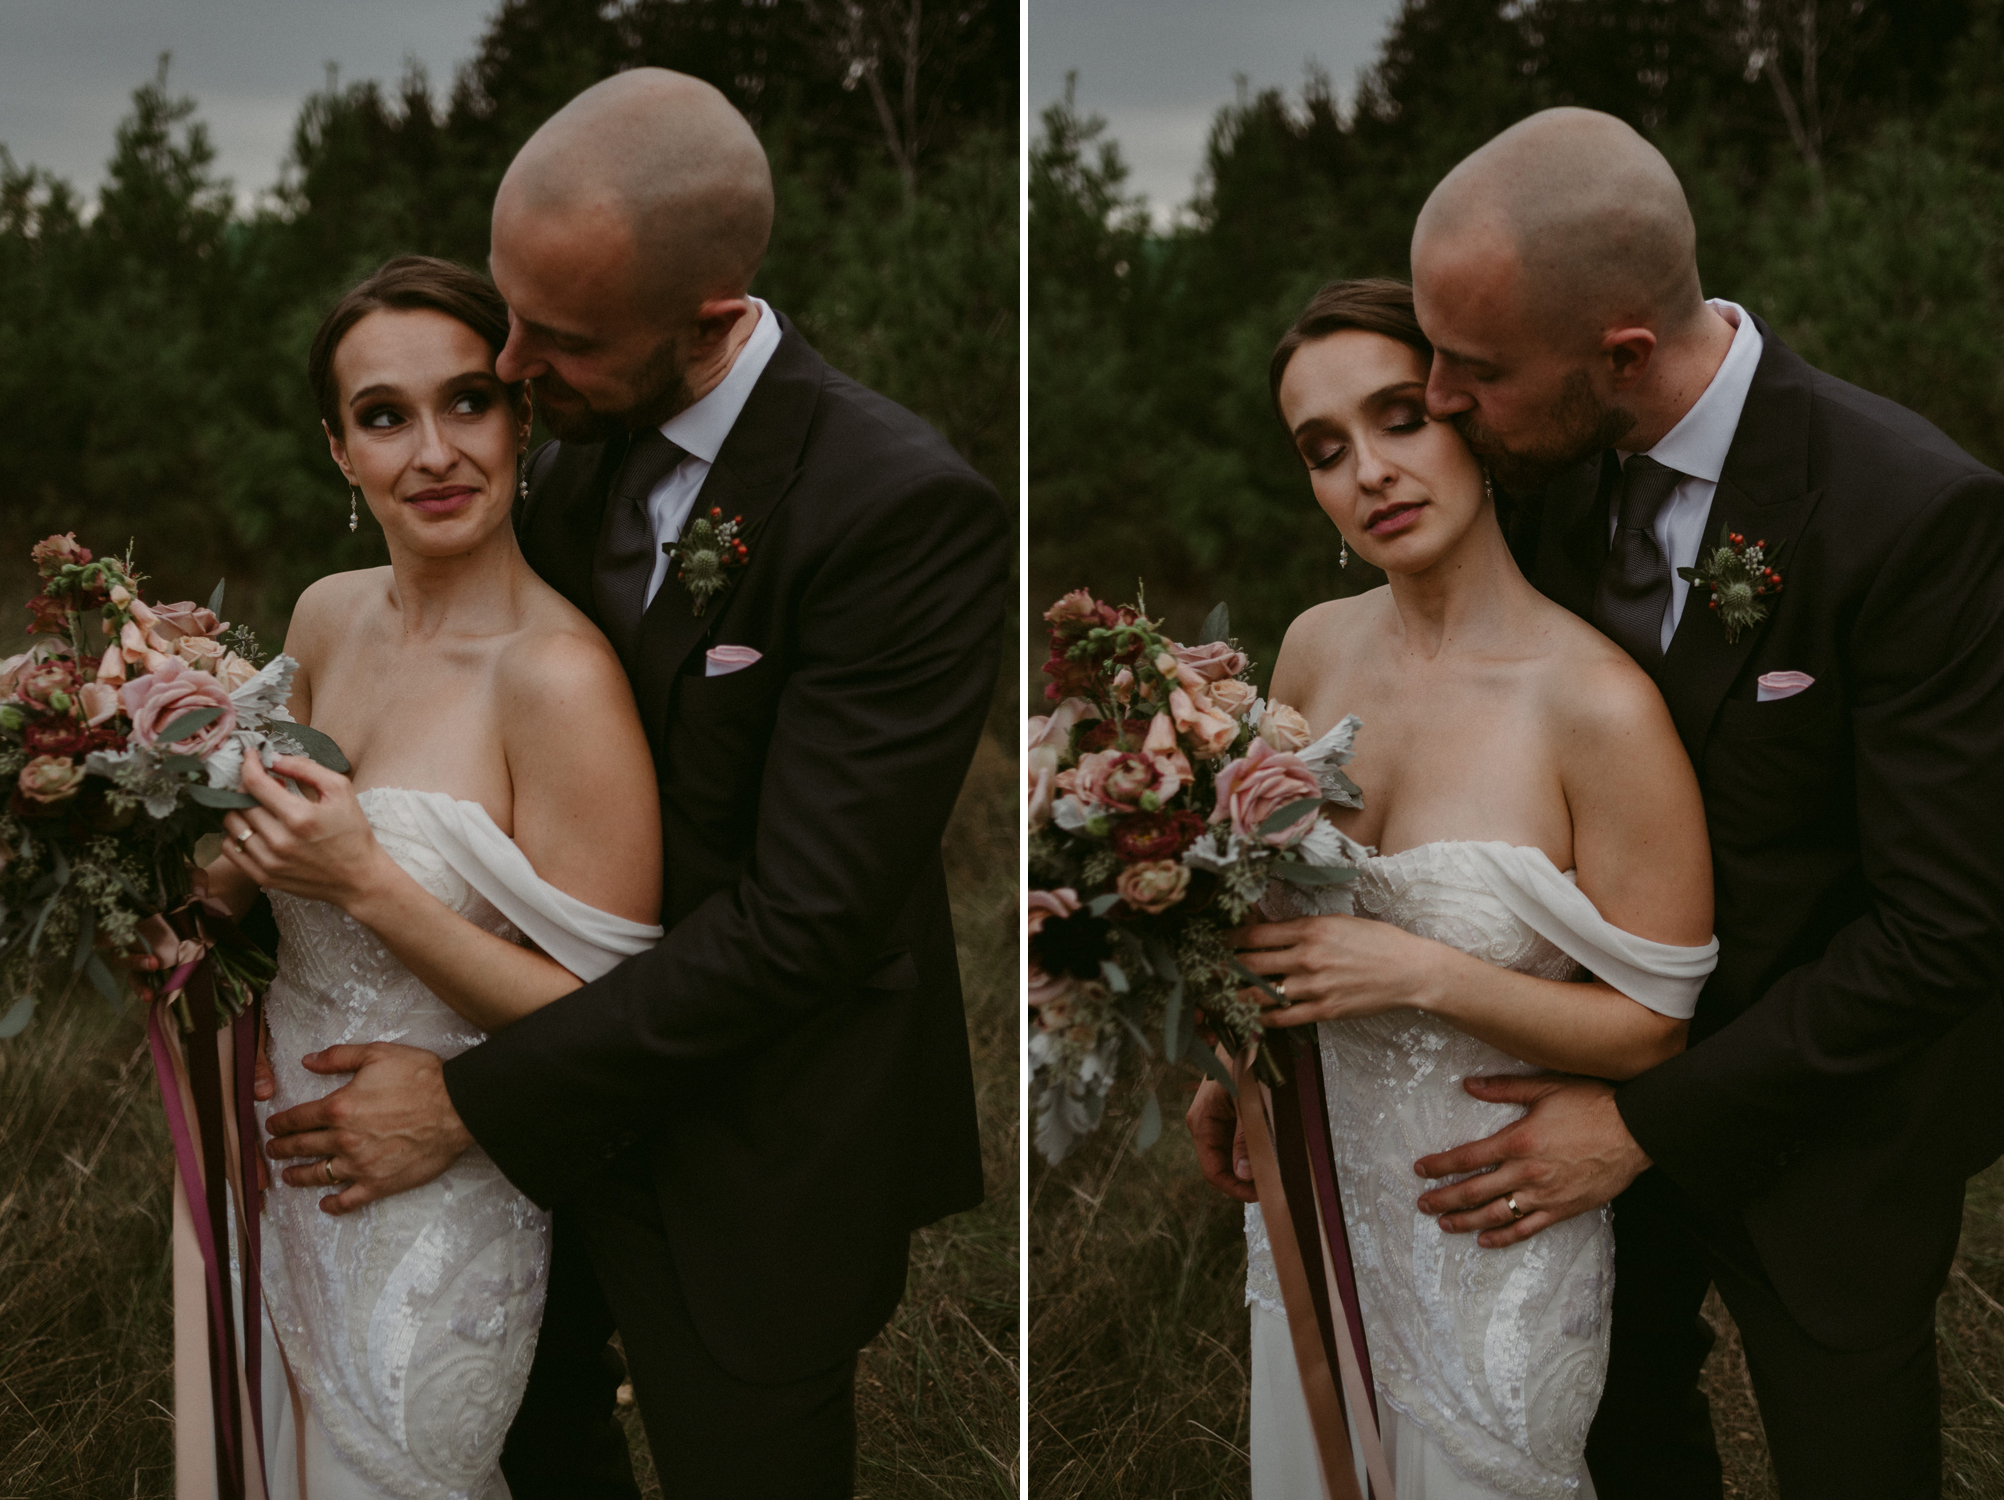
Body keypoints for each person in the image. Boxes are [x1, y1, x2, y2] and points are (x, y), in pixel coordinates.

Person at [258, 69, 1008, 1498]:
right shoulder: (573, 455)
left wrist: (480, 1100)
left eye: (563, 340)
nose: (519, 367)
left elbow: (805, 926)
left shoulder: (898, 509)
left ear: (713, 320)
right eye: (511, 317)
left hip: (754, 1137)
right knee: (530, 1446)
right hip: (529, 1119)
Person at [1401, 108, 2004, 1497]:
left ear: (1622, 355)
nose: (1441, 399)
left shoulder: (1919, 518)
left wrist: (1644, 1124)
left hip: (1837, 1119)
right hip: (1573, 1073)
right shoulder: (1541, 476)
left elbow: (1940, 932)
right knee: (1612, 1429)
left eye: (1477, 368)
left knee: (1851, 1461)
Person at [1185, 276, 1720, 1497]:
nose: (1367, 469)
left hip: (1491, 1234)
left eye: (1398, 418)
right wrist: (1229, 1067)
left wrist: (1421, 969)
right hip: (1311, 1206)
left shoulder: (1596, 704)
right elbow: (1277, 907)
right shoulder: (1315, 647)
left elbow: (1652, 1028)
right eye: (1325, 449)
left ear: (1469, 422)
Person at [173, 253, 666, 1497]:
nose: (433, 450)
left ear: (522, 415)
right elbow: (240, 868)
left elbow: (615, 1027)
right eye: (385, 417)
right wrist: (152, 865)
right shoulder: (324, 617)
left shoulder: (558, 677)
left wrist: (367, 883)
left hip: (433, 1208)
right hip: (270, 1168)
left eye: (468, 401)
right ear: (339, 450)